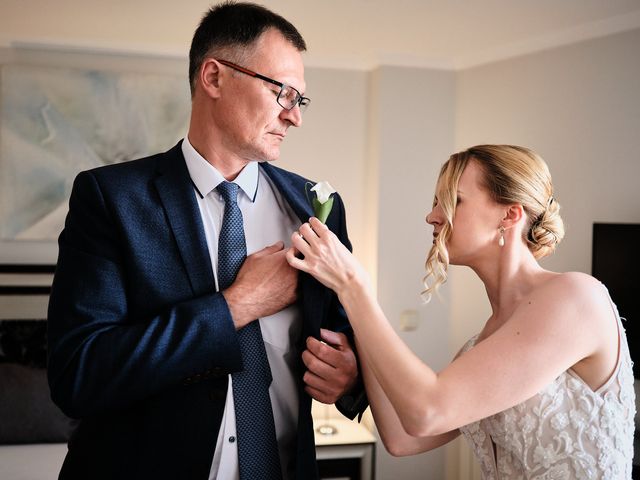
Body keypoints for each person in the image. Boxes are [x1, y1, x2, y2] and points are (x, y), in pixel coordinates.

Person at [47, 3, 367, 480]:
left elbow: (347, 338)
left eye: (300, 100)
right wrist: (237, 305)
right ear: (213, 78)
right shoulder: (112, 199)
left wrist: (349, 379)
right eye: (283, 92)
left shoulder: (318, 206)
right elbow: (80, 373)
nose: (294, 117)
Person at [288, 144, 636, 478]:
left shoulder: (576, 298)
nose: (432, 216)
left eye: (452, 201)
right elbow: (402, 438)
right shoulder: (480, 345)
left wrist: (354, 286)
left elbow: (428, 410)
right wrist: (351, 297)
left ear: (509, 215)